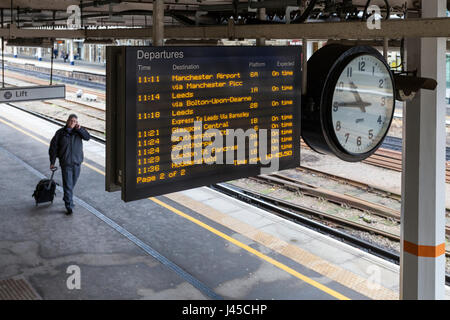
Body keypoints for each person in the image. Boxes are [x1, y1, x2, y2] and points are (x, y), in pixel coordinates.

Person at [49, 114, 90, 215]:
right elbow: (53, 148)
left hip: (77, 163)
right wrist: (52, 162)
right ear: (67, 121)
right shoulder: (60, 133)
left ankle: (67, 197)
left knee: (71, 184)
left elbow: (87, 137)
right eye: (71, 120)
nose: (73, 122)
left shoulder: (79, 132)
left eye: (75, 121)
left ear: (77, 123)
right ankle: (69, 206)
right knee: (68, 185)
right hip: (66, 163)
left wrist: (80, 129)